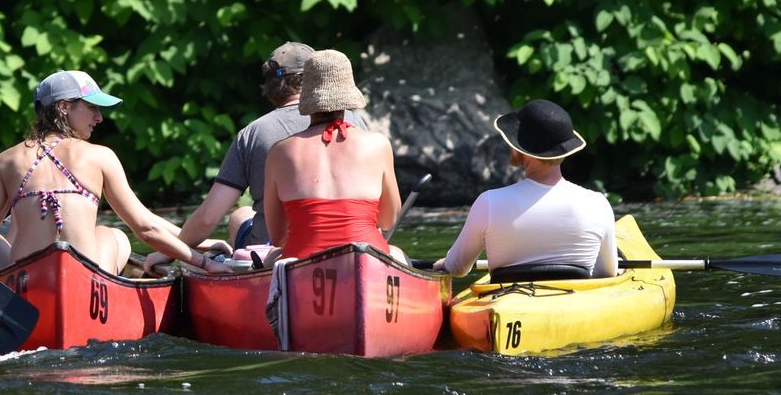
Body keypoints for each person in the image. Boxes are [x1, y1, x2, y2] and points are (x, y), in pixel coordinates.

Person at [0, 69, 209, 275]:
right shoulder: (100, 156)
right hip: (85, 277)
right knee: (112, 234)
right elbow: (146, 227)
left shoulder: (6, 160)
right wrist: (205, 263)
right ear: (64, 106)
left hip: (27, 281)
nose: (100, 118)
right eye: (92, 107)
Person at [142, 40, 372, 271]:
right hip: (353, 245)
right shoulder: (358, 124)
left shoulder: (254, 134)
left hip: (279, 251)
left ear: (271, 85)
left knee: (240, 215)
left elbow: (208, 218)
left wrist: (170, 251)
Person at [437, 98, 617, 279]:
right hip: (574, 303)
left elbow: (458, 267)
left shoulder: (489, 203)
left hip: (507, 302)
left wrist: (446, 262)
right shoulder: (597, 204)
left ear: (520, 148)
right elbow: (608, 273)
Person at [262, 50, 402, 262]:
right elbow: (388, 221)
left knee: (272, 258)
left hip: (303, 261)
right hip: (366, 259)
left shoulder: (280, 152)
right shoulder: (378, 144)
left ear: (307, 94)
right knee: (399, 254)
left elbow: (278, 237)